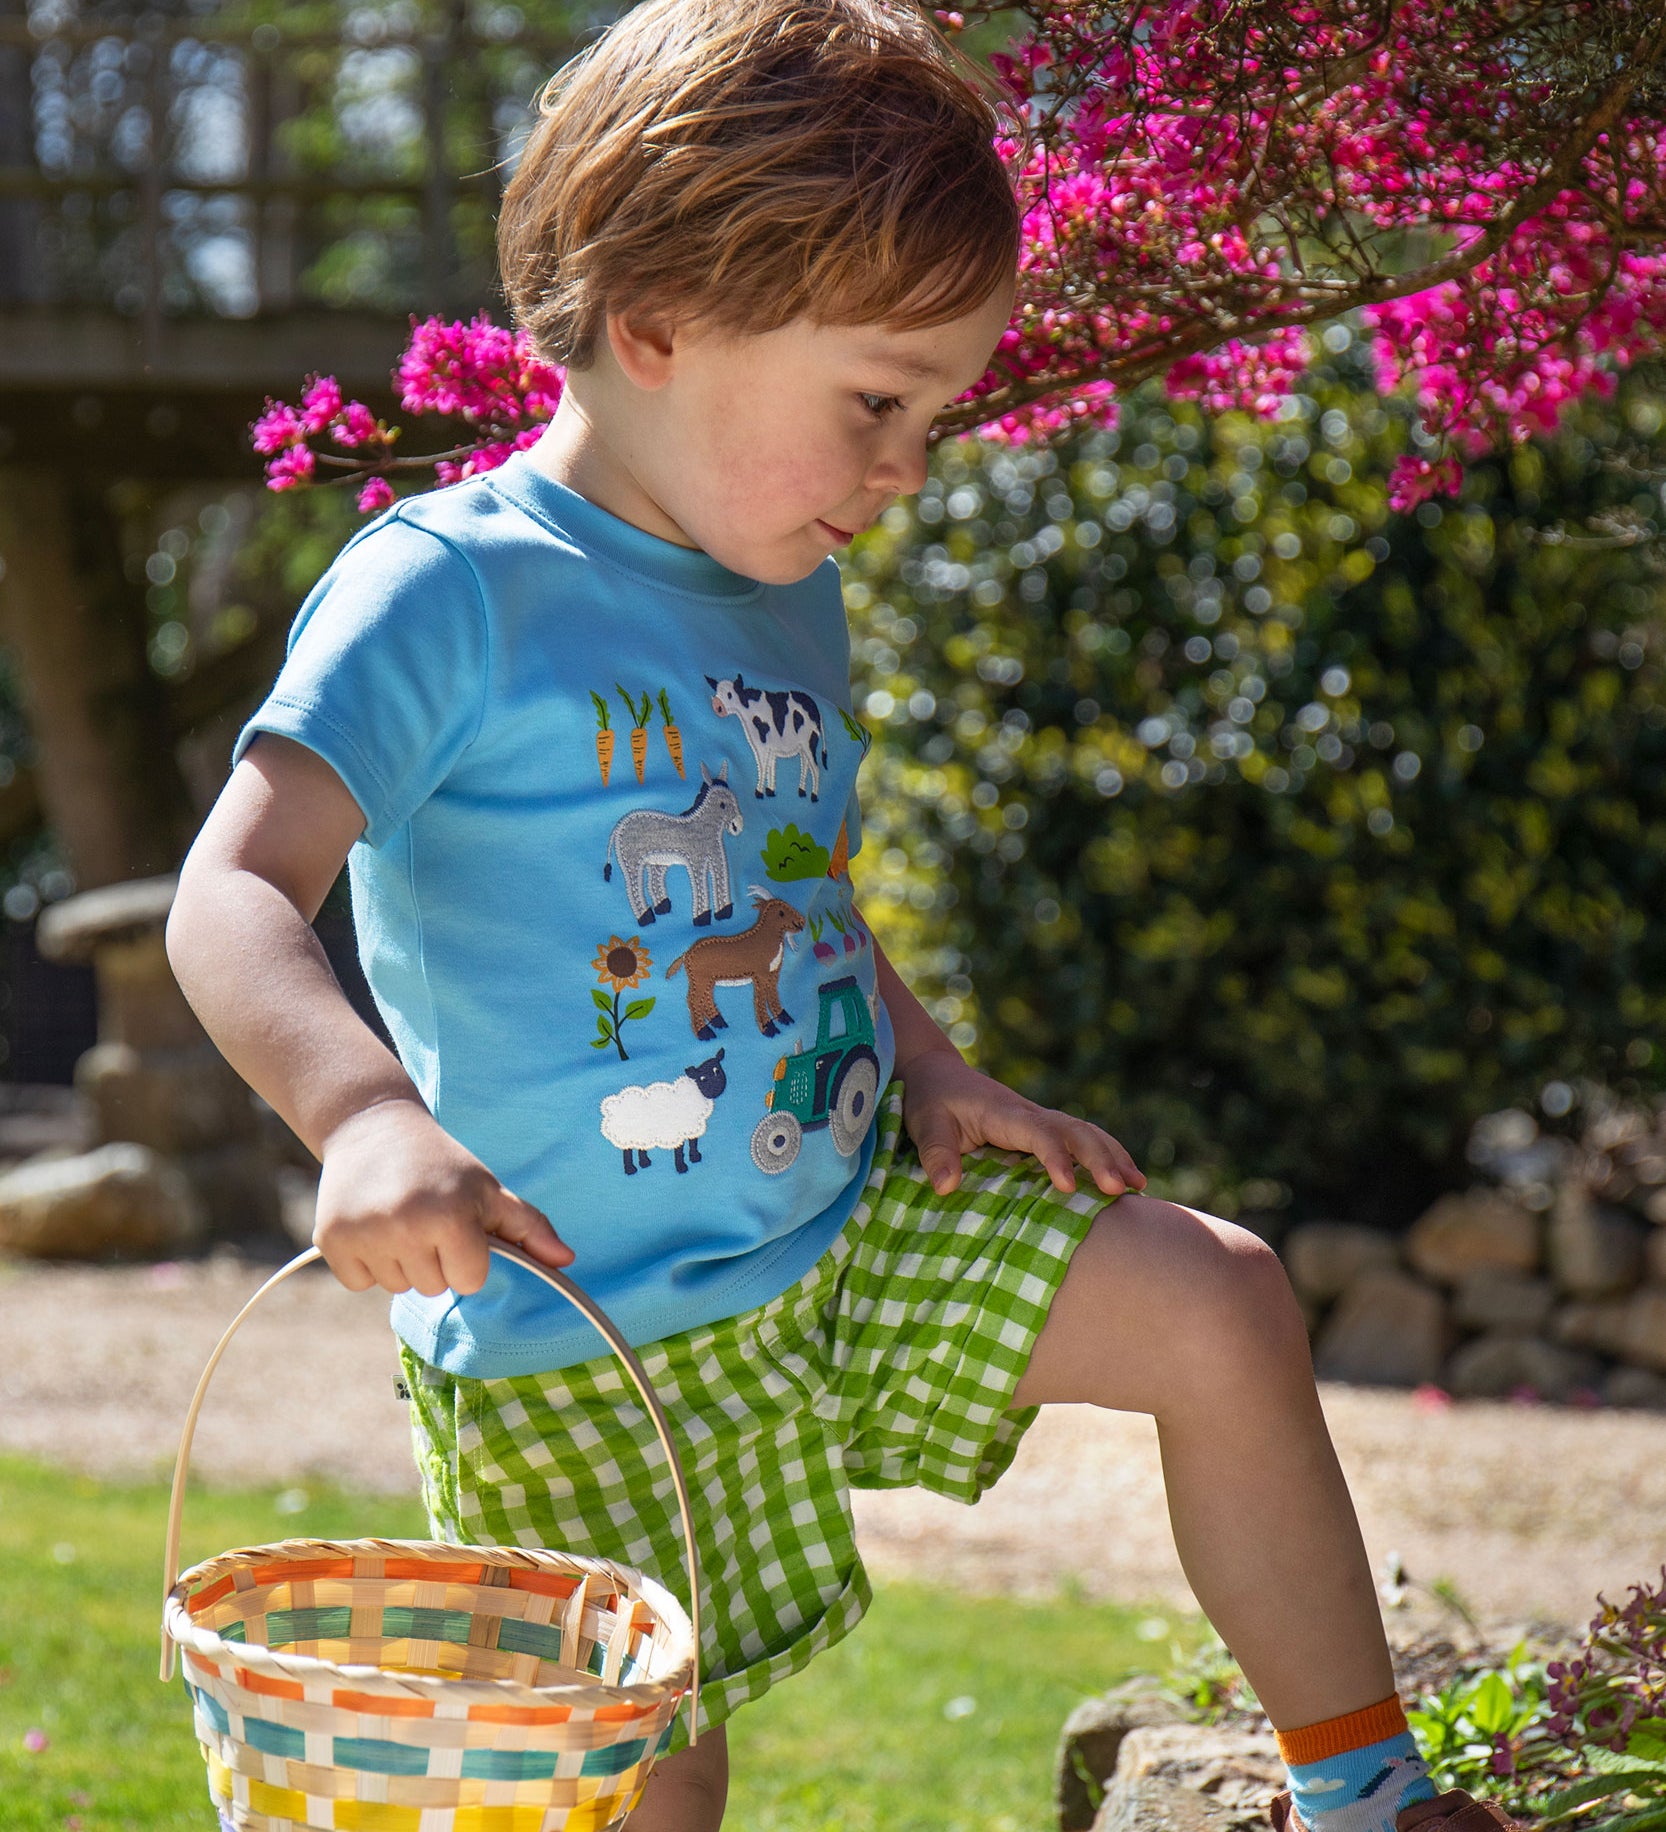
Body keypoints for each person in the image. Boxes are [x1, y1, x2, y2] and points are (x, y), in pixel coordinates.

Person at [165, 2, 1522, 1829]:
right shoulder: (447, 593)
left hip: (842, 1237)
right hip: (583, 1338)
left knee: (1214, 1300)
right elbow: (235, 887)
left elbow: (795, 887)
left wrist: (934, 1065)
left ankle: (1362, 1796)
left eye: (934, 412)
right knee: (652, 1787)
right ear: (654, 325)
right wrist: (362, 1115)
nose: (908, 467)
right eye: (876, 402)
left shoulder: (778, 588)